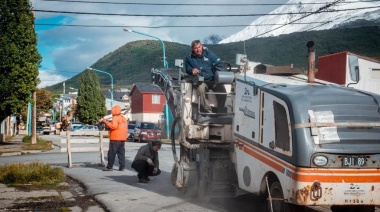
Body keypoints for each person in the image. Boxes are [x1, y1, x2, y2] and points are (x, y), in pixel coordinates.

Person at [184, 40, 227, 114]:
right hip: (201, 81)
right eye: (195, 48)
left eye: (199, 47)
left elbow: (219, 63)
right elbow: (187, 69)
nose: (198, 49)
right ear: (192, 49)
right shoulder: (189, 58)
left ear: (202, 46)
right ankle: (208, 111)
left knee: (223, 91)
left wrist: (218, 71)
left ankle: (220, 111)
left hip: (213, 79)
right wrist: (192, 70)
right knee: (201, 89)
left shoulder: (209, 53)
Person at [99, 105, 128, 171]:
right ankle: (122, 167)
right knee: (121, 153)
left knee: (111, 153)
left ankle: (109, 167)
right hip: (122, 138)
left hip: (115, 138)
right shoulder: (123, 118)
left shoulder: (115, 117)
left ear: (113, 111)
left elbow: (113, 126)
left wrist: (105, 122)